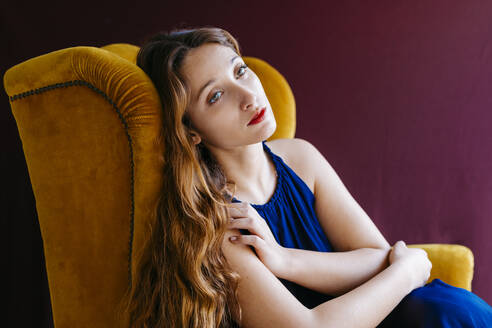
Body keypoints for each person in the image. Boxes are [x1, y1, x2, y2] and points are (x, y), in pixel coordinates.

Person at [121, 26, 492, 327]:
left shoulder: (299, 157)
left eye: (239, 70)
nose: (248, 95)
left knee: (449, 310)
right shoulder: (221, 221)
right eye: (215, 96)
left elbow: (379, 255)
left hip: (401, 312)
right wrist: (407, 272)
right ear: (191, 131)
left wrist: (285, 260)